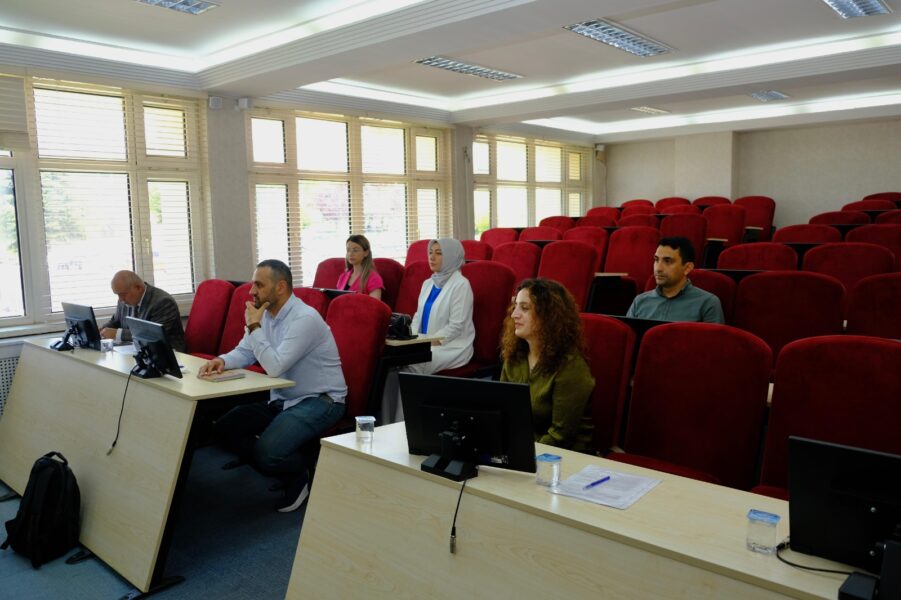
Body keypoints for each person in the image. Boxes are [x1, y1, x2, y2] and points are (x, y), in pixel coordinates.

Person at [200, 259, 347, 512]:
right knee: (225, 428)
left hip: (322, 400)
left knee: (267, 453)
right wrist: (222, 360)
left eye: (259, 285)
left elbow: (275, 367)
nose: (251, 291)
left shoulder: (304, 318)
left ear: (280, 287)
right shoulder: (265, 314)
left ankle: (301, 474)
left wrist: (254, 325)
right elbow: (245, 351)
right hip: (284, 397)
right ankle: (285, 467)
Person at [382, 238, 475, 422]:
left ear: (451, 257)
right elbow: (417, 316)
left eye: (439, 253)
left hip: (452, 347)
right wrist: (409, 339)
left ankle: (404, 424)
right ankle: (385, 423)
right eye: (430, 253)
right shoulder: (428, 283)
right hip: (424, 343)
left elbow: (456, 327)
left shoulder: (461, 285)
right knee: (388, 366)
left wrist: (425, 343)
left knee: (412, 365)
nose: (432, 257)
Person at [500, 278, 595, 452]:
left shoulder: (570, 367)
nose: (514, 315)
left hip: (564, 456)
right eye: (515, 306)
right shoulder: (515, 357)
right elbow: (503, 412)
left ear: (548, 316)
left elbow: (560, 436)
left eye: (525, 308)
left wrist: (521, 451)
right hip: (523, 448)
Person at [626, 236, 725, 323]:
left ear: (687, 268)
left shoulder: (708, 303)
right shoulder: (640, 301)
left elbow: (713, 339)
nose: (658, 268)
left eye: (667, 261)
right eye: (656, 260)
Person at [100, 270, 186, 352]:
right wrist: (101, 331)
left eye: (123, 294)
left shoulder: (163, 302)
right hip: (136, 351)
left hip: (169, 353)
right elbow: (115, 321)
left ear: (138, 288)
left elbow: (153, 336)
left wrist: (118, 334)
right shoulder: (124, 300)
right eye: (117, 294)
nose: (120, 299)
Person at [335, 234, 384, 299]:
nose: (350, 254)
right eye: (348, 250)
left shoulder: (374, 278)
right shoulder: (343, 277)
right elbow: (336, 300)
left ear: (366, 253)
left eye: (355, 250)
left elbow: (374, 304)